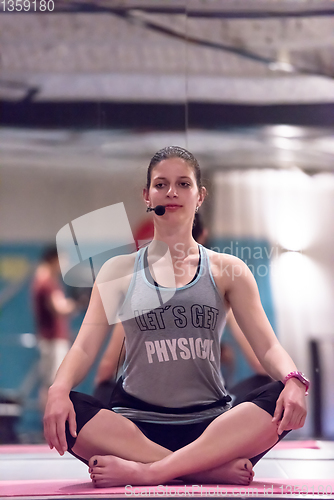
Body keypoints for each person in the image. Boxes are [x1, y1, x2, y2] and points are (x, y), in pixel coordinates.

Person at [43, 146, 308, 488]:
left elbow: (268, 347)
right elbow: (82, 350)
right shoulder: (117, 271)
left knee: (280, 399)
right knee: (70, 411)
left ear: (200, 196)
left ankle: (153, 471)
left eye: (183, 184)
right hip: (134, 429)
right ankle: (202, 471)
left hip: (212, 427)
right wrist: (58, 390)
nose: (171, 192)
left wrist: (294, 380)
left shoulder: (229, 270)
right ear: (146, 195)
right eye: (161, 184)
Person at [32, 246, 76, 411]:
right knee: (55, 384)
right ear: (53, 259)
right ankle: (52, 424)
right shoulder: (47, 282)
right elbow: (60, 308)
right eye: (62, 260)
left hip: (49, 340)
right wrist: (77, 303)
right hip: (53, 340)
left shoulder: (42, 280)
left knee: (49, 384)